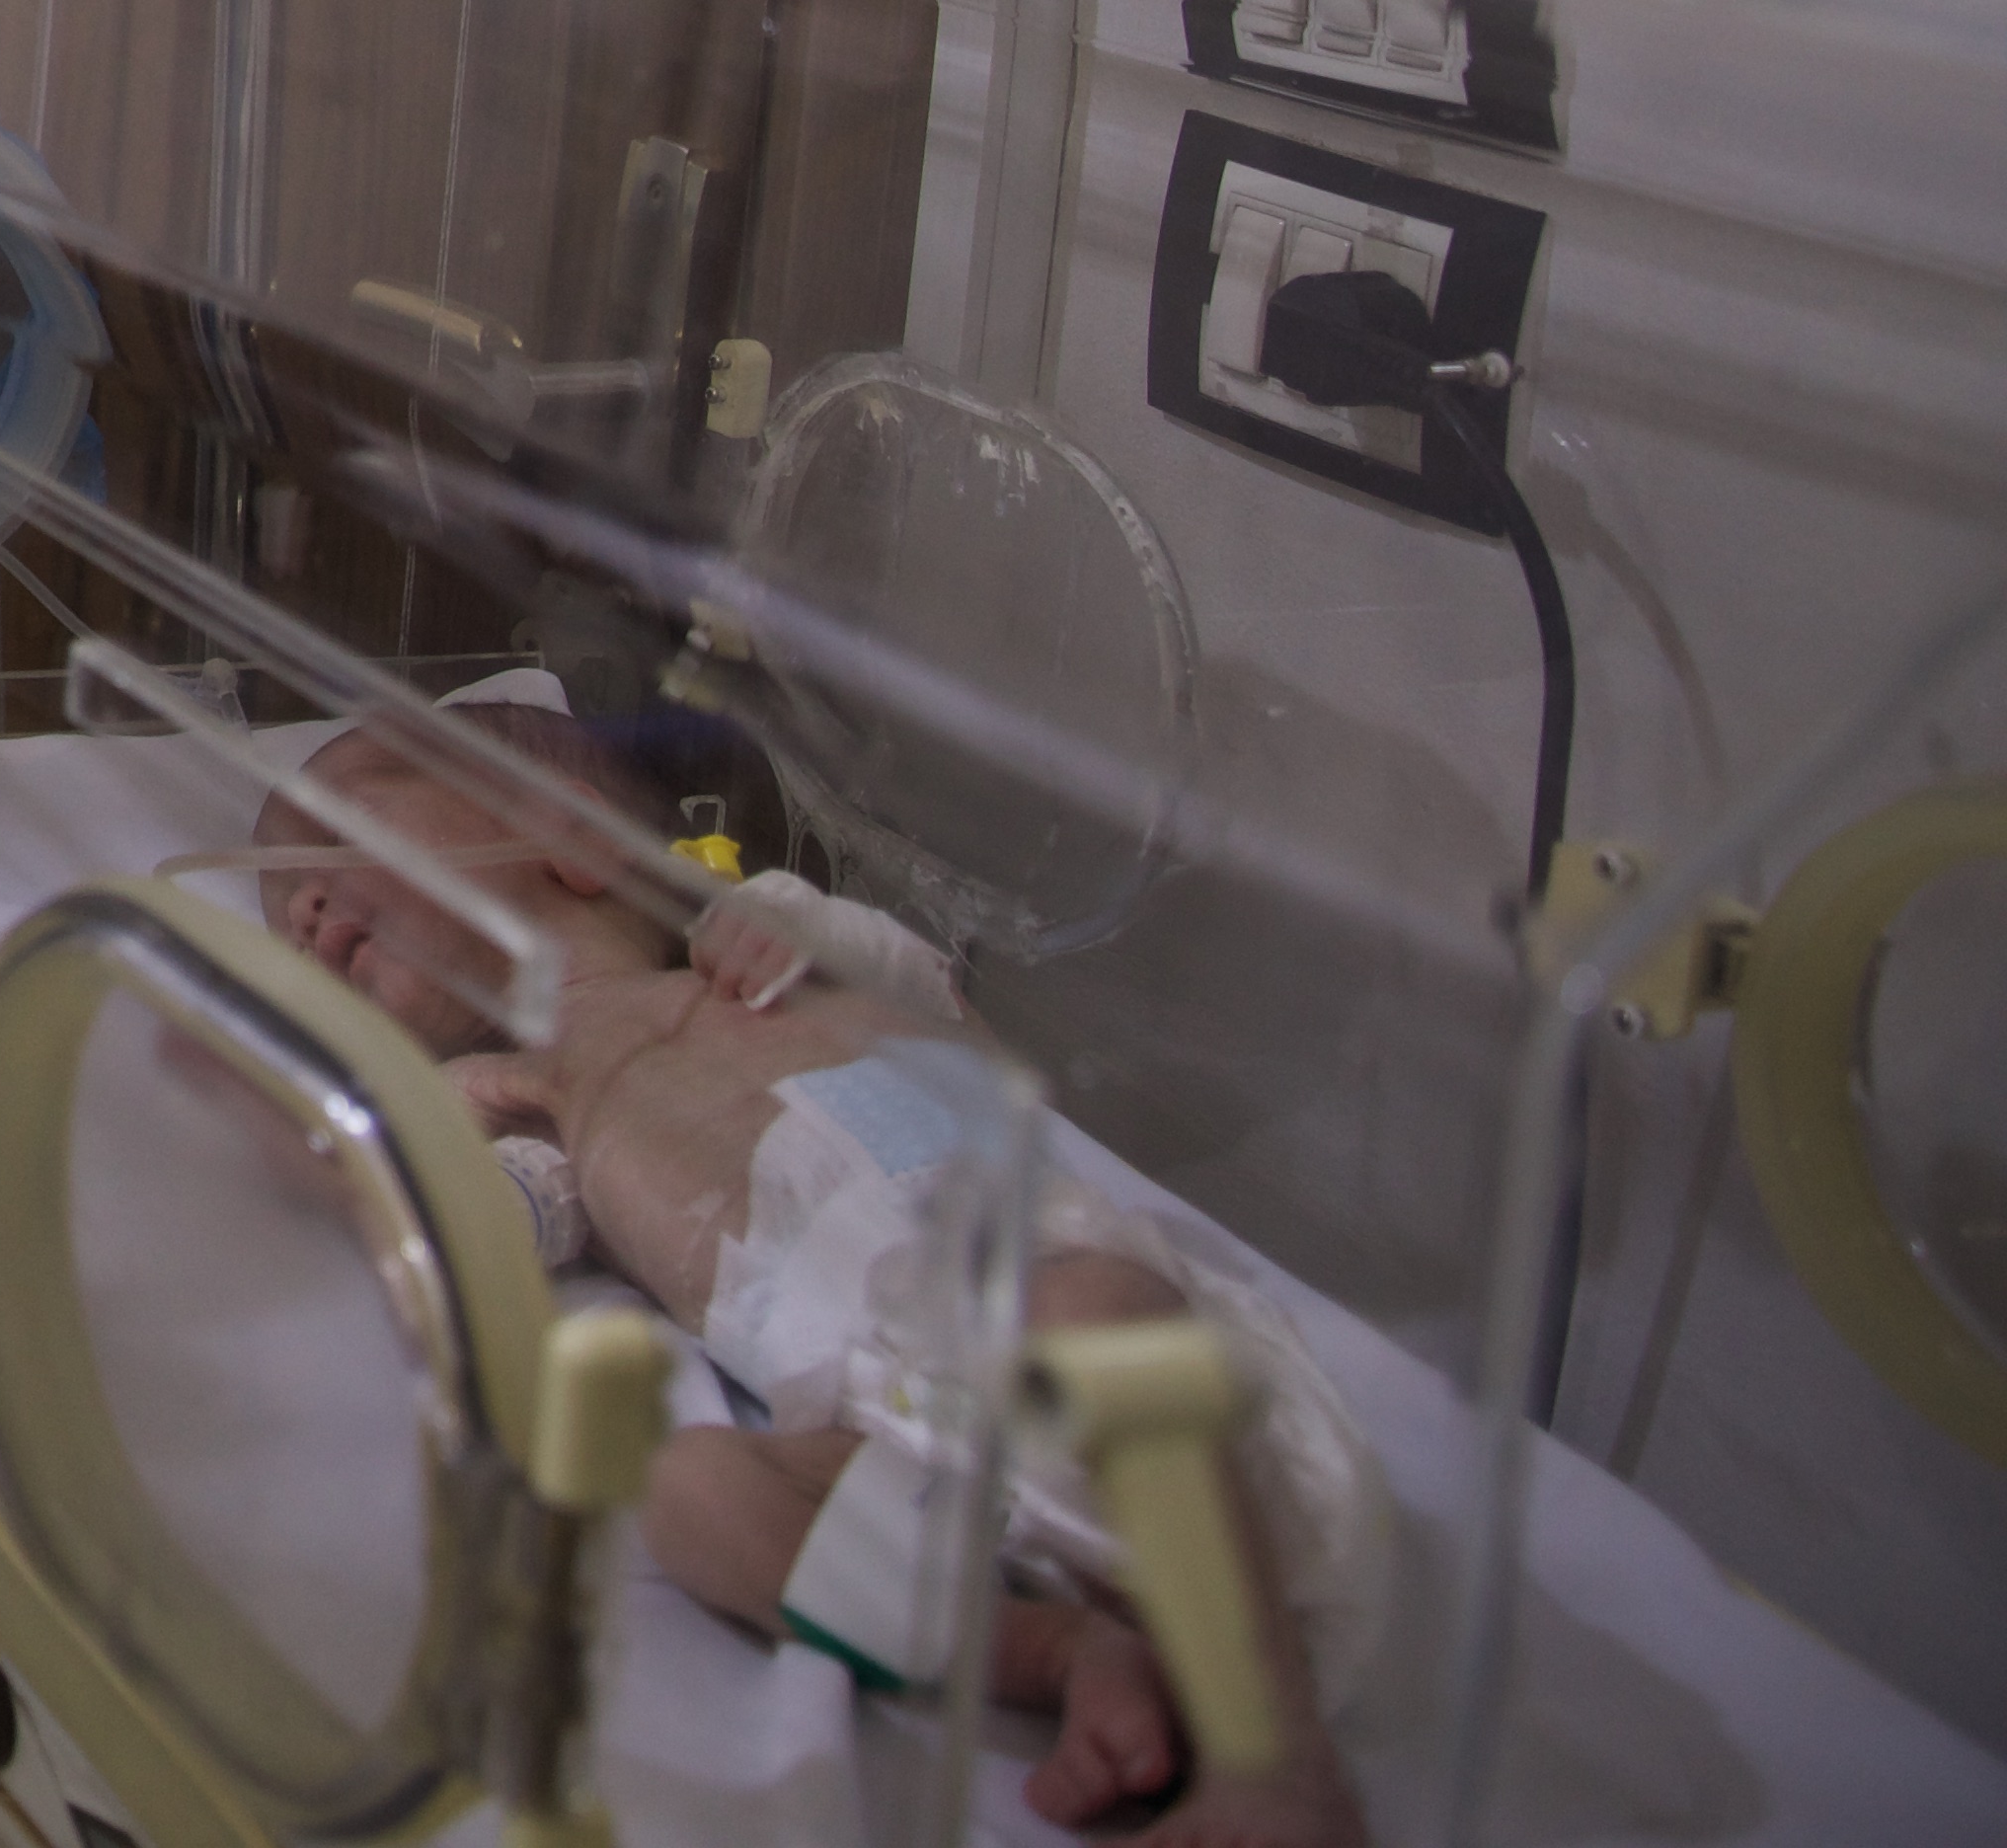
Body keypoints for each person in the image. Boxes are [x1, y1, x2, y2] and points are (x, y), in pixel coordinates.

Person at [257, 719, 1372, 1846]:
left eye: (334, 839)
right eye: (280, 916)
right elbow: (465, 1226)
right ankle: (1061, 1649)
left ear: (571, 838)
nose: (297, 910)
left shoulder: (764, 942)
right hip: (897, 1439)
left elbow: (977, 1054)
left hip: (1082, 1330)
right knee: (691, 1490)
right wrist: (347, 1134)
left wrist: (812, 951)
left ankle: (1272, 1757)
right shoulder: (521, 1095)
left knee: (1087, 1310)